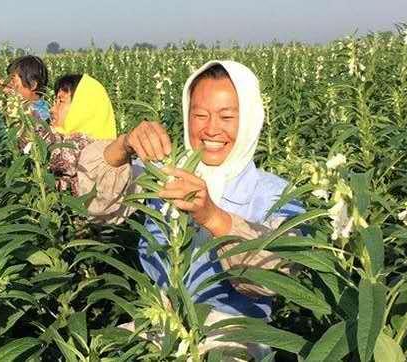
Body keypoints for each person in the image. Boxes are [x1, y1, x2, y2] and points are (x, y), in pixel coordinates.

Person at [76, 60, 304, 359]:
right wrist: (125, 145)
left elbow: (279, 275)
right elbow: (92, 204)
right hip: (160, 324)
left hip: (234, 335)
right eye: (199, 114)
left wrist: (211, 216)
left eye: (227, 116)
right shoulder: (165, 175)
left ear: (249, 120)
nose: (210, 128)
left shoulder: (276, 194)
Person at [23, 73, 117, 194]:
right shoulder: (63, 135)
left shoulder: (89, 145)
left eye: (60, 101)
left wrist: (27, 120)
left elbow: (51, 152)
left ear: (83, 107)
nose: (52, 109)